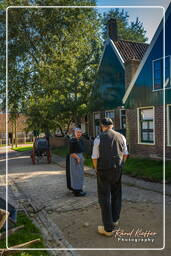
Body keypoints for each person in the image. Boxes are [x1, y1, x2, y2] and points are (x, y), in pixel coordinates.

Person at [91, 118, 128, 237]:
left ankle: (108, 228)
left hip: (103, 171)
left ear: (102, 126)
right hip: (117, 169)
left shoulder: (98, 138)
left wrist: (96, 169)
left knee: (104, 197)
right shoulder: (121, 136)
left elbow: (94, 157)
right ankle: (115, 219)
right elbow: (125, 154)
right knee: (117, 194)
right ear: (112, 126)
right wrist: (121, 165)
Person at [66, 128, 86, 197]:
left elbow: (81, 150)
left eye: (80, 132)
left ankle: (79, 189)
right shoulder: (72, 140)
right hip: (74, 159)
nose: (79, 133)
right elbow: (71, 153)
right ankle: (76, 191)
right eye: (77, 132)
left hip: (79, 158)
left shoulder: (80, 140)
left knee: (80, 174)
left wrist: (82, 157)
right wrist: (77, 158)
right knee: (76, 175)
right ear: (74, 133)